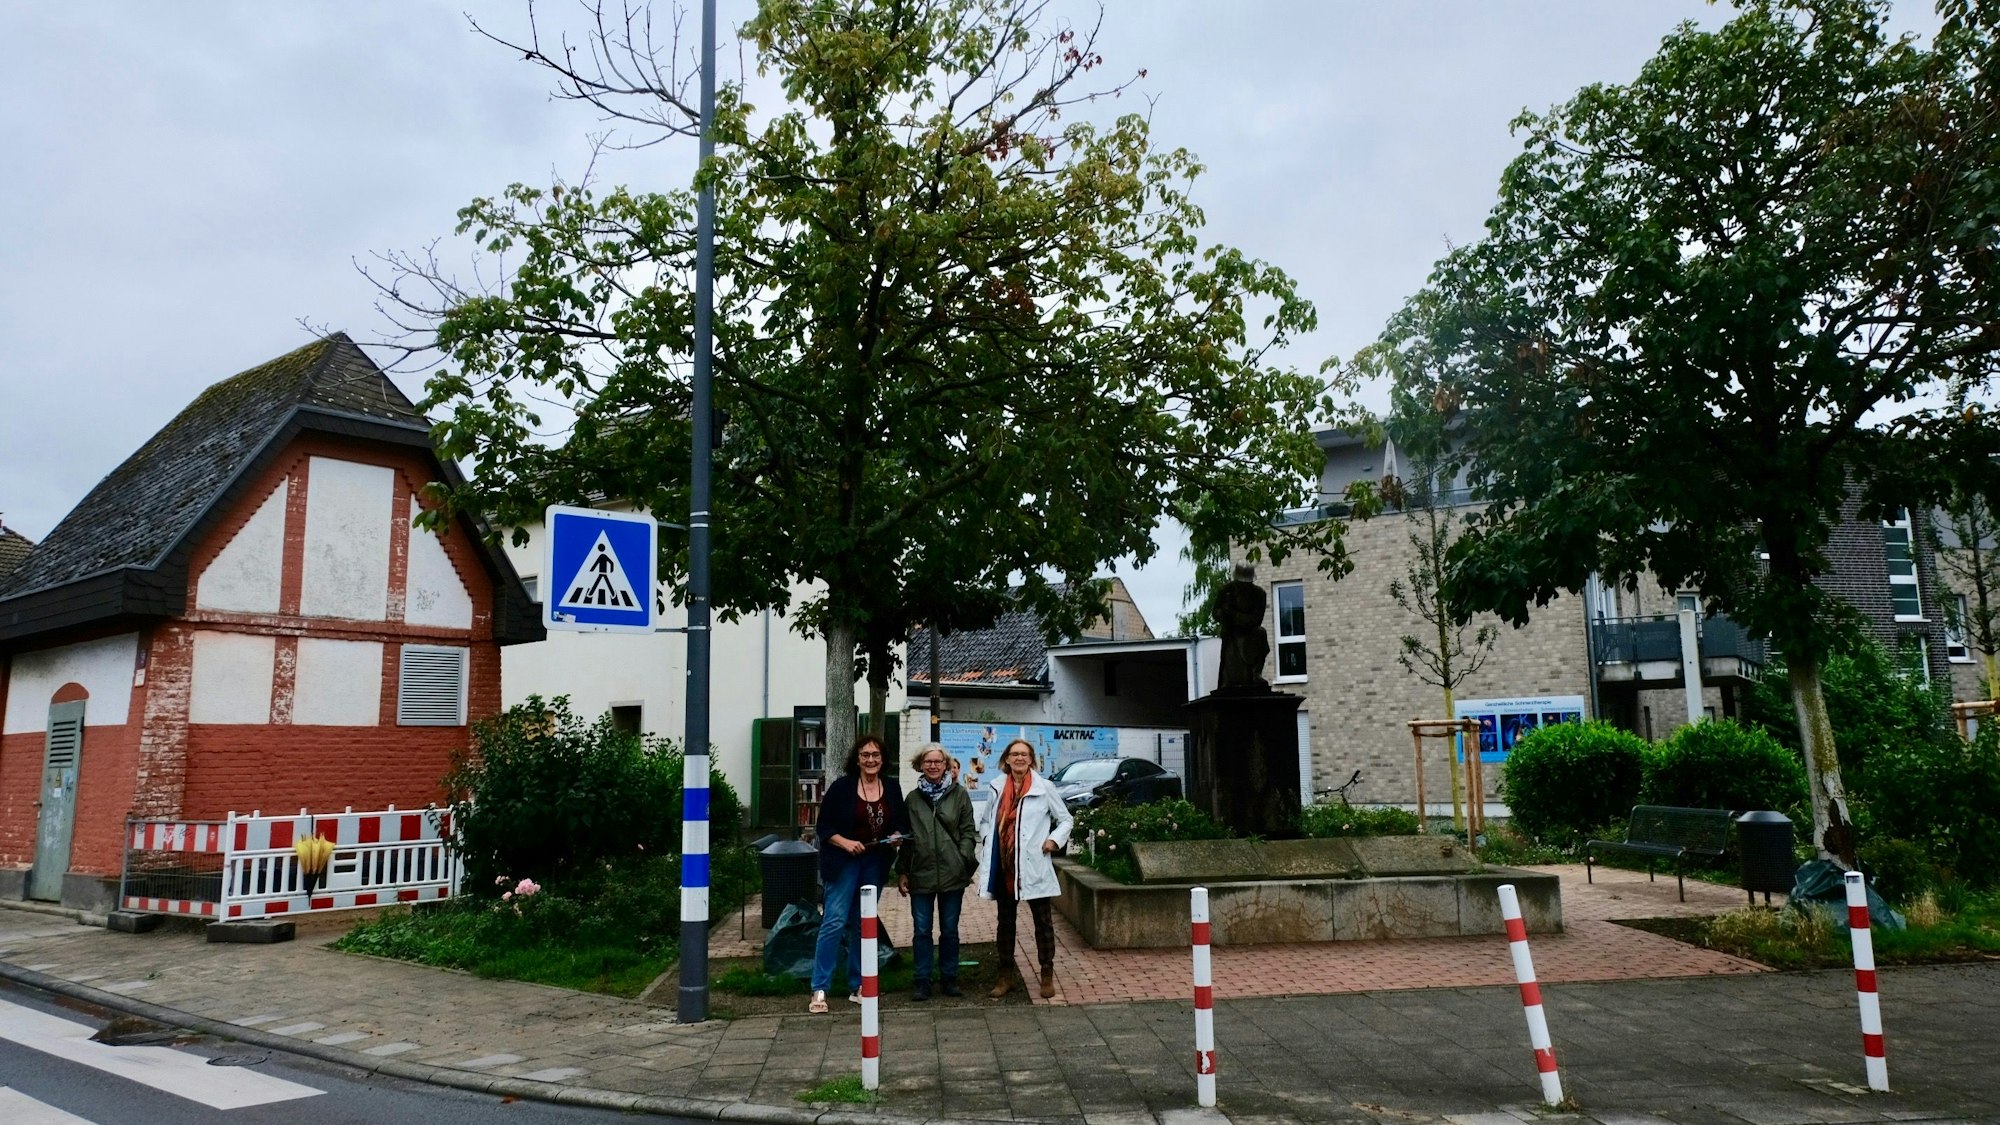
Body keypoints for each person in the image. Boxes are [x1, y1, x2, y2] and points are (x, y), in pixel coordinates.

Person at [808, 734, 908, 1014]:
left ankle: (858, 985)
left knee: (862, 923)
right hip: (843, 861)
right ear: (857, 759)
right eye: (865, 755)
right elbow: (824, 828)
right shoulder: (842, 787)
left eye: (876, 755)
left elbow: (899, 820)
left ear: (883, 759)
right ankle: (820, 988)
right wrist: (846, 842)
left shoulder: (891, 787)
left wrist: (897, 835)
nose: (871, 760)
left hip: (874, 862)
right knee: (835, 920)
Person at [975, 738, 1074, 999]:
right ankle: (1006, 975)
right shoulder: (996, 787)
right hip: (1006, 866)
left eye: (1024, 754)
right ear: (1006, 759)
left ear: (1031, 760)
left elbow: (1065, 819)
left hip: (1033, 867)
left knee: (1043, 922)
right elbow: (985, 821)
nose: (1019, 758)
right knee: (1005, 923)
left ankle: (1046, 973)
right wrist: (988, 839)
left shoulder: (1044, 787)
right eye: (1014, 754)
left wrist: (1054, 840)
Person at [896, 743, 979, 1001]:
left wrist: (962, 858)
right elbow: (907, 839)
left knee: (949, 929)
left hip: (952, 874)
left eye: (938, 761)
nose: (933, 765)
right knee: (921, 931)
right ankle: (922, 980)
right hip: (920, 874)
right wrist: (902, 871)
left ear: (946, 765)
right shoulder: (912, 799)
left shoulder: (960, 795)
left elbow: (968, 832)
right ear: (920, 765)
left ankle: (949, 978)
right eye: (928, 761)